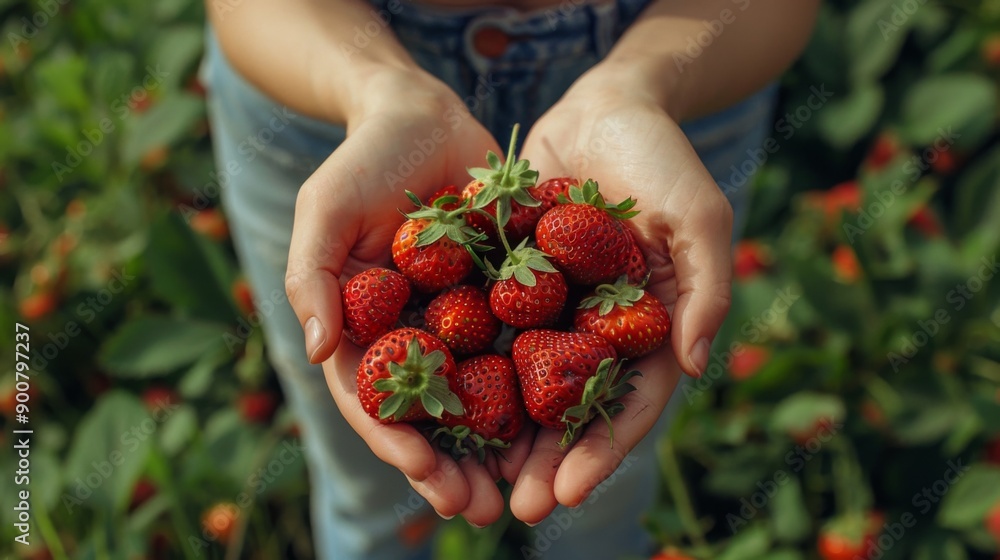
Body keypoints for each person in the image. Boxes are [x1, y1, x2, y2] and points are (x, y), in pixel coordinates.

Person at [201, 0, 819, 557]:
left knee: (606, 478)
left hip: (690, 66)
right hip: (317, 76)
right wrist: (373, 87)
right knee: (363, 476)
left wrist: (642, 85)